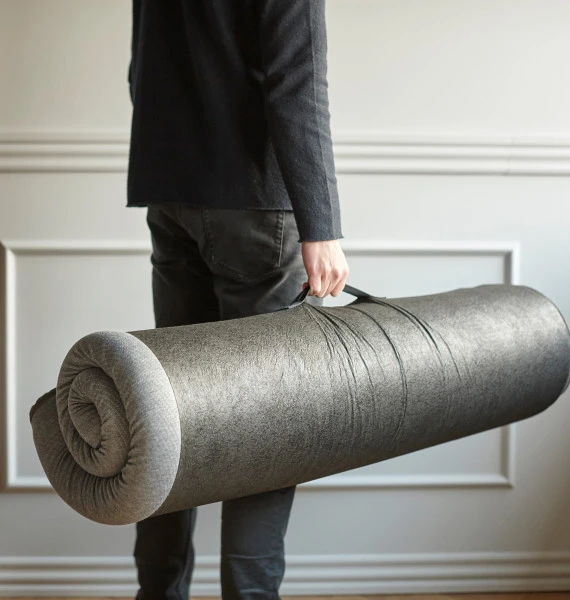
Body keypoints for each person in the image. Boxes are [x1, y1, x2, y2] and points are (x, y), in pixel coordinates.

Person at [126, 1, 349, 599]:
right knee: (269, 425)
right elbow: (297, 83)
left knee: (172, 412)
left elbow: (141, 67)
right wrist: (322, 228)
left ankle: (158, 592)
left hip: (169, 189)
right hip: (255, 207)